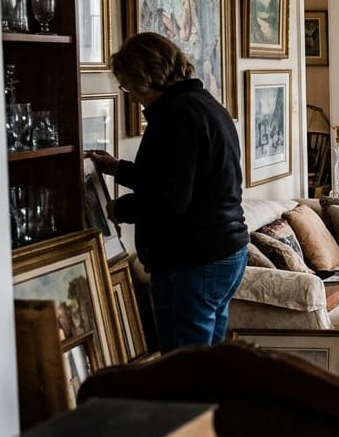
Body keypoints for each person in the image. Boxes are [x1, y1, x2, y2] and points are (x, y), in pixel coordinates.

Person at [86, 32, 248, 352]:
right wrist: (120, 169)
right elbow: (179, 177)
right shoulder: (206, 105)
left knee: (183, 373)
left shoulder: (173, 116)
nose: (130, 95)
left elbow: (170, 198)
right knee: (208, 365)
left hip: (192, 260)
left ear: (144, 76)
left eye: (128, 85)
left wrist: (121, 209)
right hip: (227, 251)